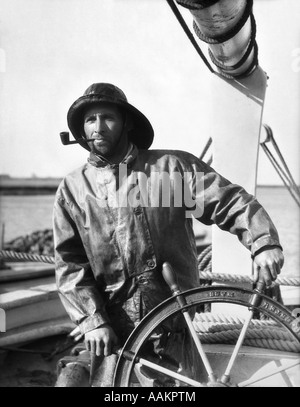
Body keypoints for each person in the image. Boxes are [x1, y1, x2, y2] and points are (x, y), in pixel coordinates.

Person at [53, 82, 284, 386]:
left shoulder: (170, 170)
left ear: (127, 122)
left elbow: (230, 202)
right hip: (113, 336)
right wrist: (92, 322)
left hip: (177, 330)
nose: (98, 127)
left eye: (107, 117)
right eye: (90, 119)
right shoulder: (73, 189)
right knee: (72, 379)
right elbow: (70, 266)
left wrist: (264, 243)